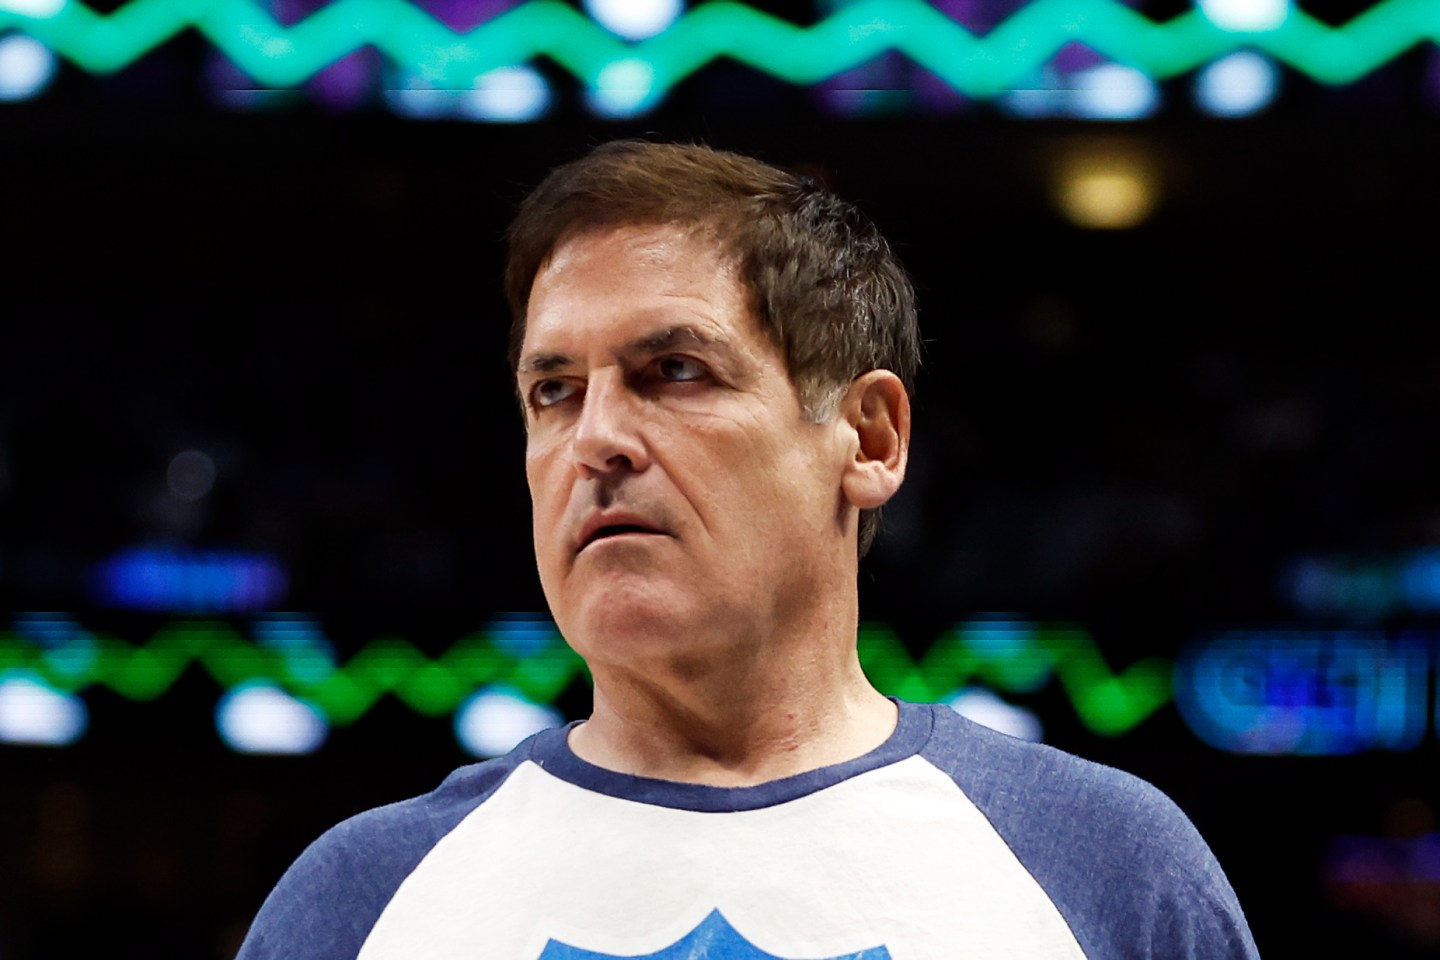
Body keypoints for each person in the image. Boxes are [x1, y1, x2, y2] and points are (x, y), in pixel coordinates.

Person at [235, 139, 1260, 960]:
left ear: (869, 438)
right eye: (555, 390)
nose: (595, 439)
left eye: (673, 370)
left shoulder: (1107, 867)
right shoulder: (359, 900)